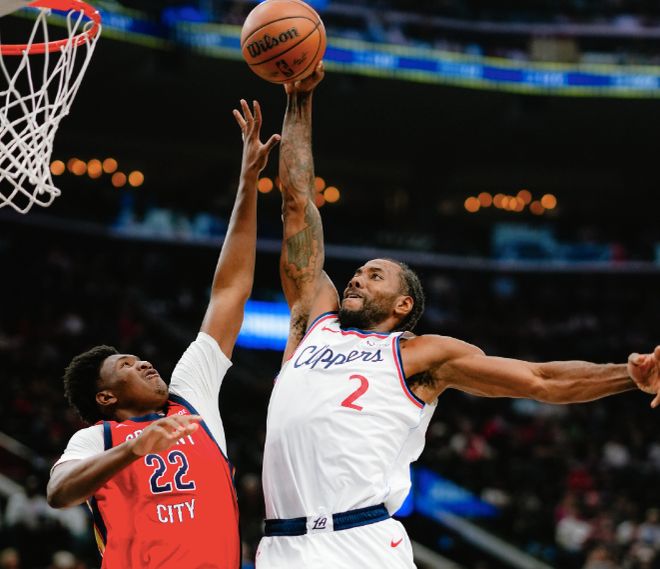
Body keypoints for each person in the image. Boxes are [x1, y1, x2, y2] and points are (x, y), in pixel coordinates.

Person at [254, 61, 660, 569]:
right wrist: (298, 99)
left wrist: (628, 376)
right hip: (280, 543)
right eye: (357, 272)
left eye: (375, 276)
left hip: (356, 542)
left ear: (404, 305)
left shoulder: (420, 355)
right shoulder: (312, 323)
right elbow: (297, 204)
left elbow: (541, 380)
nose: (356, 279)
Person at [47, 100, 280, 569]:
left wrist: (247, 182)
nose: (143, 362)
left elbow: (229, 292)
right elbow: (59, 492)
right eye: (126, 366)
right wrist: (133, 448)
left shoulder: (191, 395)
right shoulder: (99, 438)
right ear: (107, 397)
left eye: (137, 358)